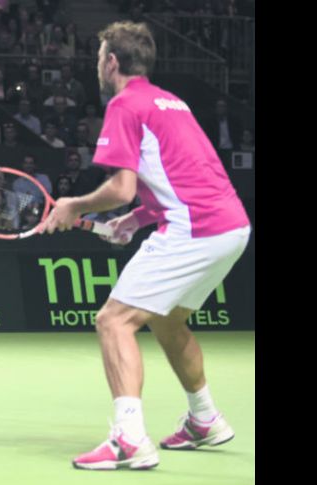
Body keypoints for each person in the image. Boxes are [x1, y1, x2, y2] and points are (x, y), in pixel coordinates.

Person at [43, 21, 250, 471]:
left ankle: (129, 439)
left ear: (112, 62)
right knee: (168, 321)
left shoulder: (124, 103)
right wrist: (134, 219)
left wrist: (74, 206)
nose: (97, 65)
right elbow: (182, 175)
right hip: (231, 226)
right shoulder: (172, 102)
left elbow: (120, 187)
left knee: (113, 321)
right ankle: (204, 417)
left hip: (194, 228)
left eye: (99, 57)